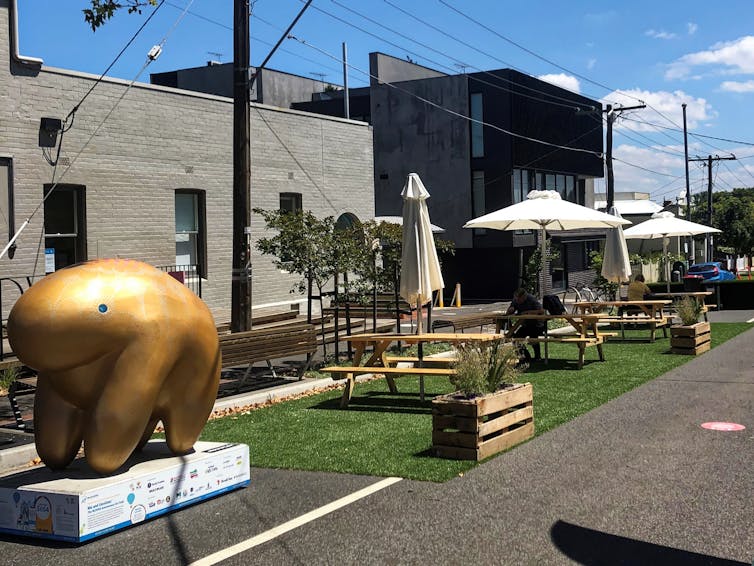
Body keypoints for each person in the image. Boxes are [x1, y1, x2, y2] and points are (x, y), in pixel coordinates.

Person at [506, 287, 545, 361]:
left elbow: (541, 311)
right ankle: (525, 357)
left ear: (524, 296)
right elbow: (511, 309)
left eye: (518, 299)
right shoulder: (515, 300)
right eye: (516, 299)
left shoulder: (531, 299)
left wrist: (528, 312)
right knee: (516, 339)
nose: (517, 301)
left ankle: (537, 357)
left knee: (533, 337)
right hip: (525, 324)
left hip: (536, 324)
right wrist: (511, 309)